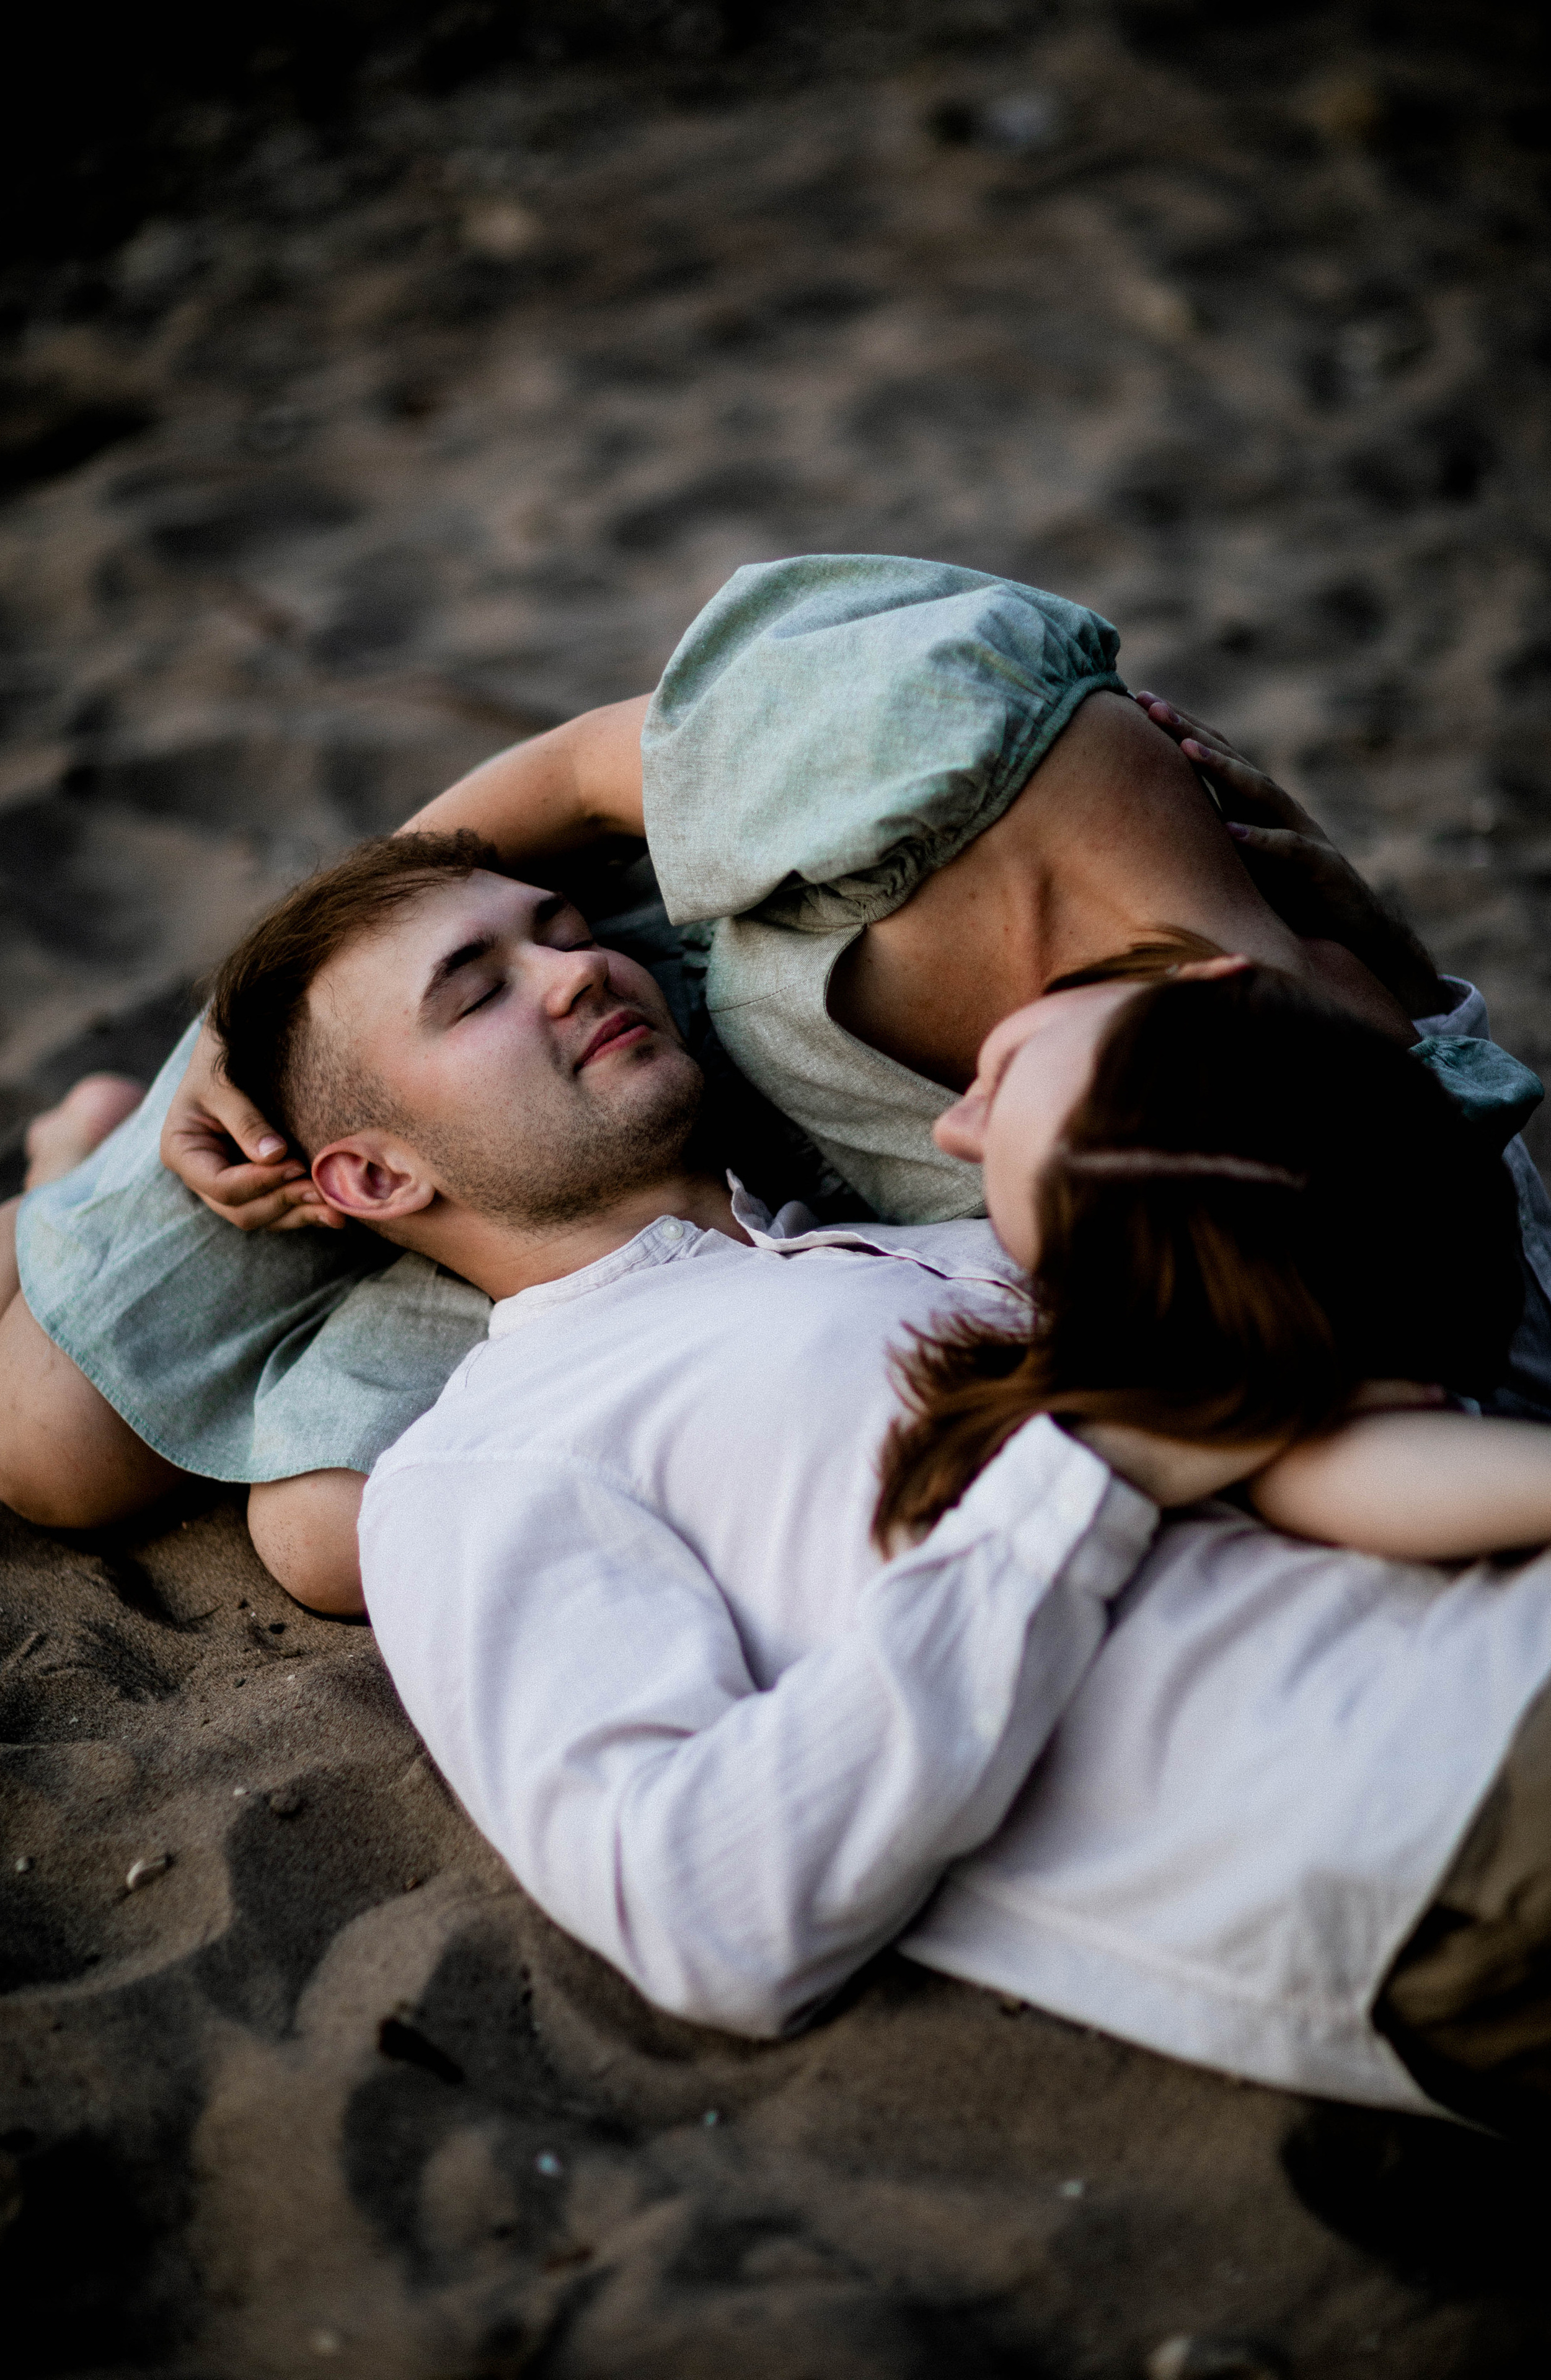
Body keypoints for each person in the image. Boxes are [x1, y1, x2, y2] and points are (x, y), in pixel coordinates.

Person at [143, 824, 1549, 2131]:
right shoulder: (487, 1460)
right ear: (373, 1179)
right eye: (476, 990)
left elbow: (1427, 1315)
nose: (576, 969)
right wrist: (1089, 1468)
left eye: (565, 927)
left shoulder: (956, 1237)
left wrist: (1366, 965)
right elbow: (698, 1909)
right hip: (1428, 1814)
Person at [0, 558, 1547, 1607]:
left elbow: (1405, 1361)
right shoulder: (953, 736)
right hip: (540, 1008)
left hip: (679, 1188)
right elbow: (580, 779)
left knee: (316, 1533)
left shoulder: (1289, 1147)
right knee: (41, 1434)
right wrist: (245, 1033)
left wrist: (1394, 971)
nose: (953, 1123)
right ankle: (67, 1159)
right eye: (999, 1078)